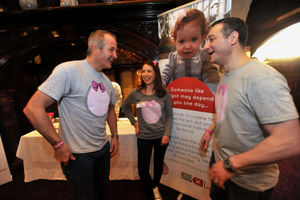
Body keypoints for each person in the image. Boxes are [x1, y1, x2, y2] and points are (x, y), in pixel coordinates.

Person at [200, 17, 300, 200]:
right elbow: (230, 113)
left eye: (211, 39)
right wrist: (210, 130)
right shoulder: (227, 75)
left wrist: (231, 165)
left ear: (233, 38)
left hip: (247, 183)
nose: (206, 46)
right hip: (222, 164)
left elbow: (290, 140)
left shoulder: (262, 78)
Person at [23, 29, 119, 200]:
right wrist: (58, 144)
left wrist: (115, 136)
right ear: (95, 48)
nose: (116, 55)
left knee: (101, 191)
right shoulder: (68, 70)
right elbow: (33, 108)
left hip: (102, 150)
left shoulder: (106, 81)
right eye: (111, 50)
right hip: (78, 156)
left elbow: (111, 109)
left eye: (116, 50)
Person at [122, 60, 173, 200]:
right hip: (143, 137)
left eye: (149, 71)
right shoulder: (136, 93)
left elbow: (170, 116)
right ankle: (151, 190)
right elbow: (124, 107)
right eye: (143, 71)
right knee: (143, 170)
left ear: (155, 73)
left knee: (158, 165)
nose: (145, 74)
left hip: (161, 136)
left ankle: (155, 185)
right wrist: (134, 123)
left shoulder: (164, 93)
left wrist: (167, 134)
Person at [161, 8, 220, 93]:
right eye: (181, 41)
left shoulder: (204, 56)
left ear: (202, 37)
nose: (187, 46)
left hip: (198, 96)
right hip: (179, 95)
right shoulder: (174, 58)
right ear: (175, 41)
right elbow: (166, 73)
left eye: (193, 39)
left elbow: (211, 74)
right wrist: (161, 84)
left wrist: (210, 91)